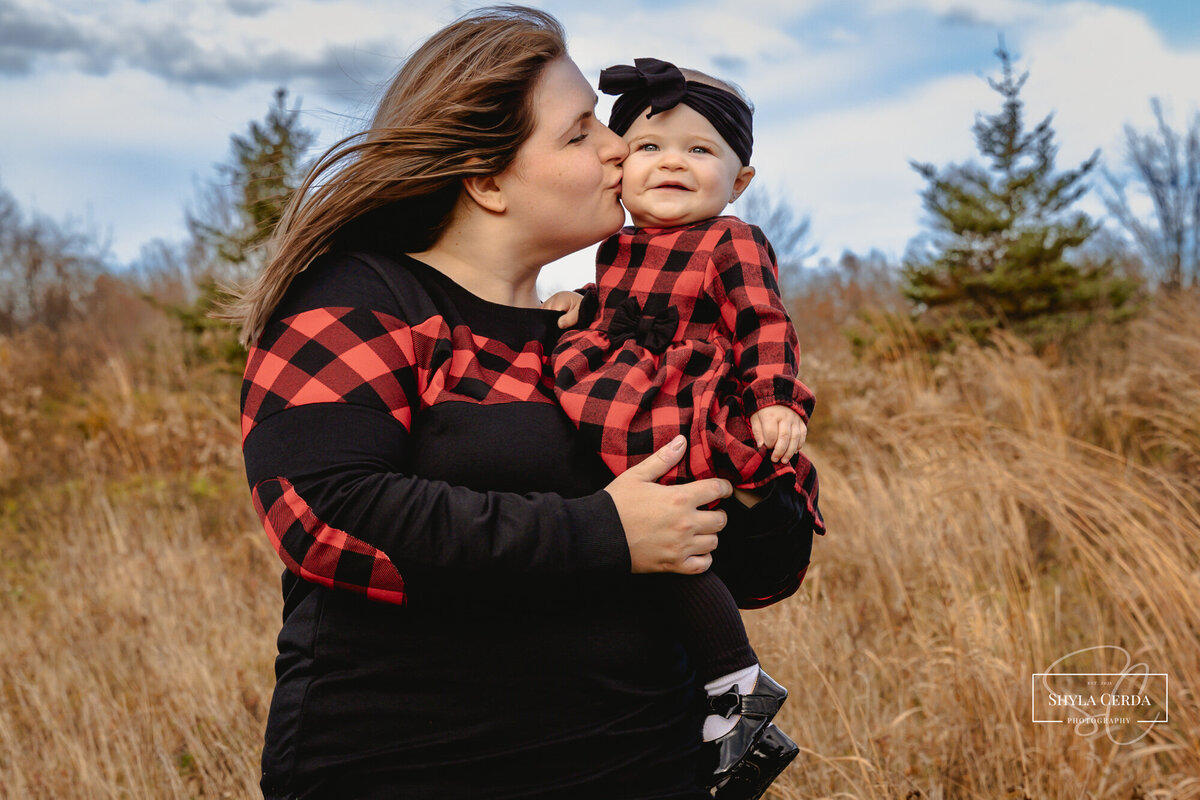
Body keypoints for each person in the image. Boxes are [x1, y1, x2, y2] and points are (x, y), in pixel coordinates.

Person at [229, 8, 814, 799]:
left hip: (650, 769)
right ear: (485, 179)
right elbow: (325, 516)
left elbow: (760, 574)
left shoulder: (599, 335)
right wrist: (604, 533)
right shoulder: (362, 298)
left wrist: (753, 475)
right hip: (412, 773)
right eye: (579, 134)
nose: (618, 146)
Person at [548, 58, 826, 794]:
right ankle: (722, 690)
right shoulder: (616, 246)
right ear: (619, 168)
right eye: (649, 146)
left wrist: (774, 398)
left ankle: (738, 682)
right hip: (623, 403)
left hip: (685, 410)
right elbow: (620, 302)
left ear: (739, 180)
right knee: (638, 541)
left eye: (700, 149)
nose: (672, 161)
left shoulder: (732, 240)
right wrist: (582, 304)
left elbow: (764, 321)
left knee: (672, 538)